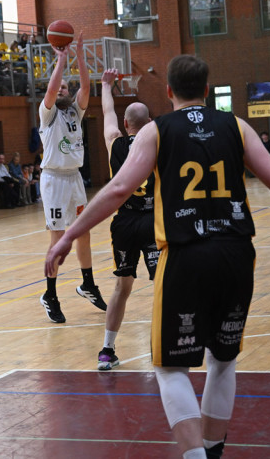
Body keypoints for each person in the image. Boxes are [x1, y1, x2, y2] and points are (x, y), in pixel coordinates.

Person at [46, 54, 270, 458]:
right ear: (208, 90)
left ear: (169, 91)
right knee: (223, 361)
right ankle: (212, 451)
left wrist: (70, 235)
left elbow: (120, 189)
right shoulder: (236, 126)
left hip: (186, 256)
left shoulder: (156, 131)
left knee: (170, 368)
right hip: (236, 254)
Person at [94, 68, 159, 371]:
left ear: (125, 125)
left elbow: (107, 113)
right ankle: (164, 345)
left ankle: (107, 350)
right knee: (165, 284)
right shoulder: (157, 143)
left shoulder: (115, 144)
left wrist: (106, 86)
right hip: (153, 222)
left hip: (124, 223)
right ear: (149, 123)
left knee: (122, 288)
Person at [37, 32, 103, 323]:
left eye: (66, 86)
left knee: (83, 233)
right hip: (54, 180)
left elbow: (87, 87)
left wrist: (80, 53)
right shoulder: (47, 113)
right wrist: (62, 59)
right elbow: (51, 91)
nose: (62, 89)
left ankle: (87, 283)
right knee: (58, 239)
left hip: (74, 178)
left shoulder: (75, 111)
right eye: (59, 86)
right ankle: (49, 294)